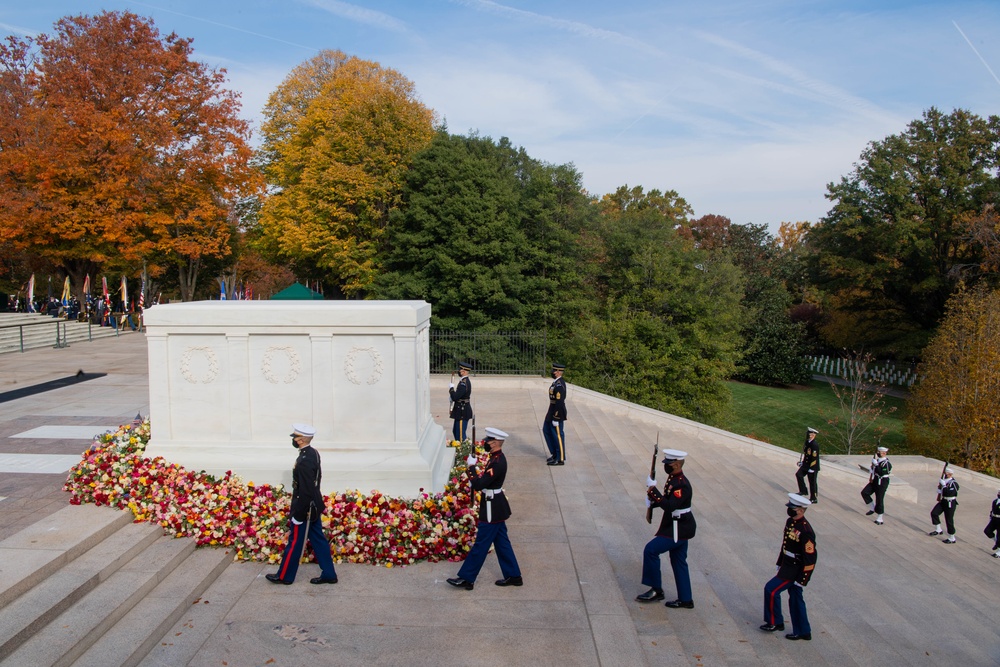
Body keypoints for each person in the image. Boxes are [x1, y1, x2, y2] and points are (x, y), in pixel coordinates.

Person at [447, 427, 522, 590]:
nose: (485, 443)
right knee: (502, 543)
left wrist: (472, 468)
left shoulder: (498, 462)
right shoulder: (495, 458)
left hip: (492, 508)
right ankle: (514, 575)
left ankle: (467, 578)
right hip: (495, 505)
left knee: (481, 544)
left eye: (488, 441)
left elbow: (480, 485)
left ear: (495, 443)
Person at [266, 423, 339, 585]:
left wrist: (299, 514)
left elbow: (305, 490)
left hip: (305, 508)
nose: (294, 440)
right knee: (318, 539)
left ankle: (285, 576)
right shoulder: (312, 453)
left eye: (295, 437)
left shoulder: (305, 459)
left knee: (295, 542)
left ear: (301, 439)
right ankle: (329, 573)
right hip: (314, 505)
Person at [636, 449, 697, 609]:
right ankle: (686, 599)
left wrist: (654, 492)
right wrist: (654, 502)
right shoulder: (674, 479)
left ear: (676, 464)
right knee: (678, 561)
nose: (666, 466)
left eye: (668, 464)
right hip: (677, 525)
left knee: (651, 550)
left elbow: (670, 506)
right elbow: (668, 502)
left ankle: (656, 589)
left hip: (678, 527)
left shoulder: (681, 485)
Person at [760, 493, 817, 641]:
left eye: (794, 508)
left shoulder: (806, 531)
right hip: (787, 565)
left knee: (771, 589)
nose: (790, 510)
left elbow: (810, 557)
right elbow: (785, 545)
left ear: (802, 510)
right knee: (796, 600)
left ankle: (775, 622)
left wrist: (803, 579)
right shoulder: (790, 522)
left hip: (795, 570)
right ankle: (803, 631)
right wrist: (780, 562)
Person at [543, 363, 568, 466]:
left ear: (558, 372)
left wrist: (556, 417)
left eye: (554, 371)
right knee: (546, 430)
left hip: (557, 412)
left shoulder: (559, 384)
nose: (552, 372)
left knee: (558, 435)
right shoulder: (555, 383)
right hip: (551, 409)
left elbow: (560, 402)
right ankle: (554, 453)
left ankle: (559, 458)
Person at [860, 446, 892, 524]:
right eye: (878, 452)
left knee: (879, 499)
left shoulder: (887, 463)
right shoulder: (877, 461)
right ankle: (872, 507)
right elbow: (873, 470)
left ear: (884, 453)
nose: (878, 453)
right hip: (875, 480)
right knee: (865, 492)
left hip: (882, 482)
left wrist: (876, 465)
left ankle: (880, 517)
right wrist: (871, 474)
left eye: (880, 452)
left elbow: (882, 472)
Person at [929, 467, 959, 543]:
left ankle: (952, 537)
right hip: (943, 501)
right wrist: (939, 490)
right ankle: (938, 529)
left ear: (950, 474)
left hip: (950, 503)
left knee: (949, 520)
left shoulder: (954, 483)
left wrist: (944, 486)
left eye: (946, 473)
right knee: (934, 513)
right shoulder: (944, 481)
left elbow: (950, 493)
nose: (945, 474)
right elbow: (942, 491)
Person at [448, 361, 473, 442]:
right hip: (459, 410)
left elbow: (455, 397)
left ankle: (463, 453)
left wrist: (451, 389)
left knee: (460, 435)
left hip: (462, 411)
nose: (459, 371)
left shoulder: (463, 384)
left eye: (460, 370)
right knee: (456, 431)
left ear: (464, 371)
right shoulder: (463, 381)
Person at [795, 427, 820, 504]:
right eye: (809, 434)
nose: (810, 436)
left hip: (812, 466)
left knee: (812, 482)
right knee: (799, 475)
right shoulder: (808, 442)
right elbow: (807, 455)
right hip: (806, 464)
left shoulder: (814, 445)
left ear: (814, 435)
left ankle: (813, 498)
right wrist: (802, 462)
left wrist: (811, 468)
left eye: (812, 434)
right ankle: (803, 491)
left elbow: (814, 458)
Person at [983, 489, 1000, 558]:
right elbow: (992, 510)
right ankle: (996, 542)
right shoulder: (995, 501)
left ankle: (999, 551)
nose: (998, 493)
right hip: (994, 519)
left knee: (999, 535)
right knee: (987, 531)